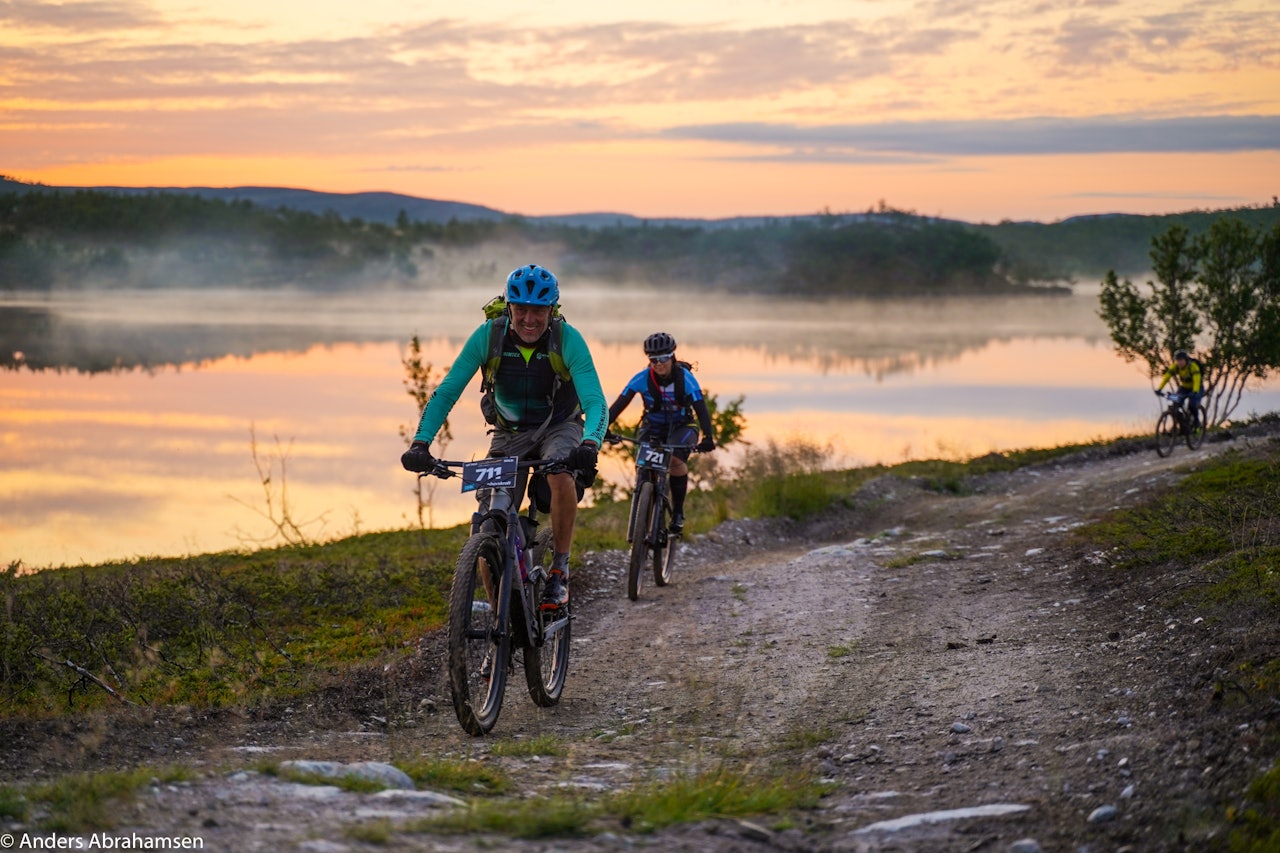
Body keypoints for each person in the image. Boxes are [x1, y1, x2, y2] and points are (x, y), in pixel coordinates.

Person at [400, 263, 607, 611]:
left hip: (560, 425)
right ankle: (501, 619)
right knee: (487, 521)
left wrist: (589, 444)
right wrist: (421, 442)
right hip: (509, 433)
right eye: (521, 309)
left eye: (538, 310)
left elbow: (595, 401)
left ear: (552, 311)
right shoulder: (489, 336)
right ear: (508, 306)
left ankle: (559, 569)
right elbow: (448, 390)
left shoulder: (567, 339)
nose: (529, 319)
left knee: (559, 474)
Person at [605, 332, 716, 535]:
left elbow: (701, 409)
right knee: (643, 465)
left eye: (663, 358)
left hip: (682, 427)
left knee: (674, 460)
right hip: (653, 427)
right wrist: (603, 430)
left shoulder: (686, 379)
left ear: (672, 356)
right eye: (653, 360)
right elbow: (618, 406)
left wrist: (708, 437)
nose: (658, 364)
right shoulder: (642, 378)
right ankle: (643, 506)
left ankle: (678, 513)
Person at [1155, 349, 1204, 431]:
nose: (1179, 363)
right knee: (1176, 403)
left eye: (1181, 360)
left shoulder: (1193, 367)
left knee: (1192, 404)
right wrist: (1160, 389)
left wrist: (1195, 391)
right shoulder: (1175, 366)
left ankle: (1196, 422)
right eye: (1177, 361)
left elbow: (1197, 380)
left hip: (1197, 388)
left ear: (1186, 360)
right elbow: (1167, 377)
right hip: (1184, 388)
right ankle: (1182, 426)